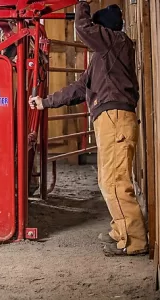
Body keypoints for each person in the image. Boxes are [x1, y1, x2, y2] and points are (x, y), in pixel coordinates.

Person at [29, 0, 148, 256]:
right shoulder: (104, 56)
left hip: (115, 118)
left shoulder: (114, 42)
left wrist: (82, 3)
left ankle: (135, 241)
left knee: (115, 181)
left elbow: (82, 27)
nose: (90, 32)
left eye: (96, 27)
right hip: (111, 118)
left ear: (103, 30)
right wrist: (45, 102)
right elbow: (78, 88)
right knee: (108, 180)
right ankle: (121, 232)